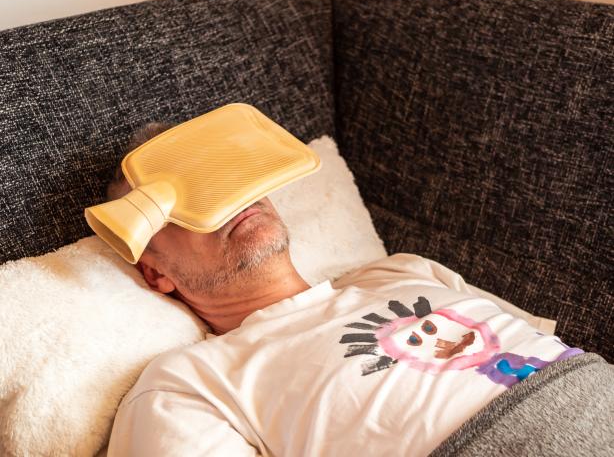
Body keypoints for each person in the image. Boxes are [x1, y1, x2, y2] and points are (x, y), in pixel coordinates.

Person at [107, 123, 586, 456]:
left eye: (223, 176)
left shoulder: (403, 269)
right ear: (156, 274)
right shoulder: (189, 384)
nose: (225, 198)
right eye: (182, 200)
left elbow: (563, 357)